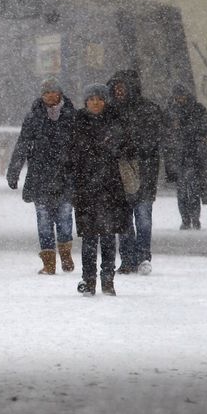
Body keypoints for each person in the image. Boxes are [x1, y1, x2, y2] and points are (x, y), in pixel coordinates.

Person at [6, 78, 76, 275]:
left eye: (53, 92)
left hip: (65, 176)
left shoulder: (72, 116)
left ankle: (65, 254)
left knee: (64, 219)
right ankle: (49, 263)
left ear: (60, 93)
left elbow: (81, 145)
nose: (50, 96)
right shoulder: (33, 117)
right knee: (44, 221)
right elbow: (22, 144)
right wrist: (14, 172)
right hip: (40, 177)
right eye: (46, 93)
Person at [68, 83, 130, 296]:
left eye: (100, 99)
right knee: (89, 238)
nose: (96, 103)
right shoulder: (77, 122)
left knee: (108, 236)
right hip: (85, 189)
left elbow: (126, 148)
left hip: (110, 188)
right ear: (86, 102)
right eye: (92, 99)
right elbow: (70, 156)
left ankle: (108, 279)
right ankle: (89, 279)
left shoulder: (116, 121)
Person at [105, 70, 165, 275]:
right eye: (116, 88)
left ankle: (143, 256)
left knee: (142, 217)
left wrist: (131, 147)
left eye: (122, 87)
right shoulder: (109, 111)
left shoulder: (148, 110)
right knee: (124, 219)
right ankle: (128, 259)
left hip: (144, 171)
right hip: (119, 171)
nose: (119, 91)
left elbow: (155, 138)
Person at [164, 83, 207, 230]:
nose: (179, 99)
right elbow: (165, 128)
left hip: (191, 154)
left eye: (181, 96)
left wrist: (199, 137)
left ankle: (193, 219)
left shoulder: (195, 109)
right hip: (180, 154)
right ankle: (187, 219)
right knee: (183, 191)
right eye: (177, 96)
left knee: (192, 189)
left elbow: (206, 125)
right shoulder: (172, 110)